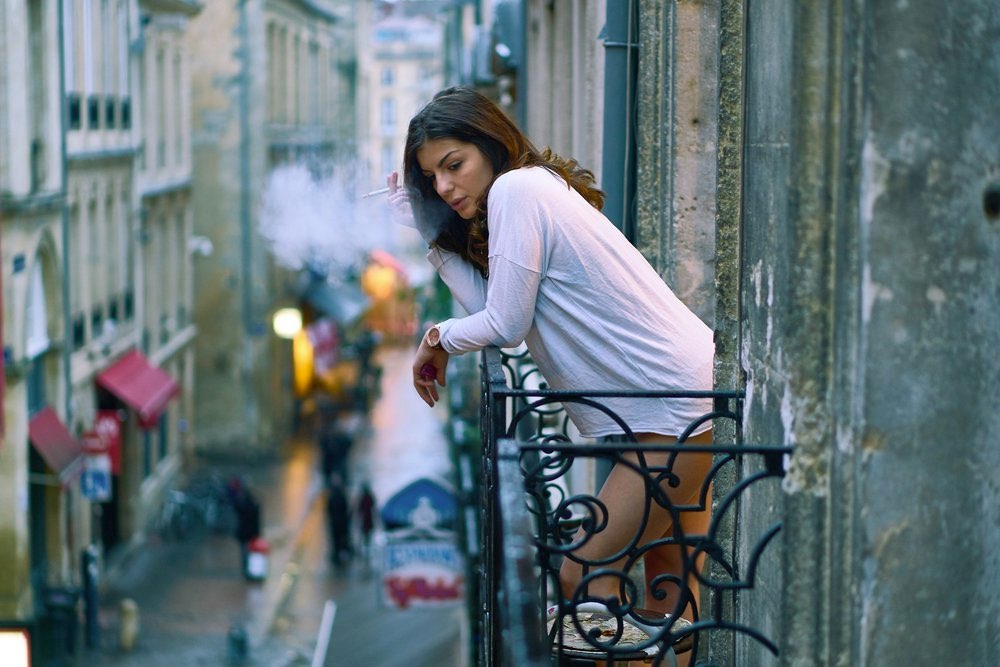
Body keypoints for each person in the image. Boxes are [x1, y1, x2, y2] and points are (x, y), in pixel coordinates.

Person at [389, 87, 716, 637]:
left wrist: (438, 338)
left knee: (585, 574)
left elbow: (506, 328)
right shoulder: (530, 189)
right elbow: (496, 311)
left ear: (490, 146)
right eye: (432, 179)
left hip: (675, 408)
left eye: (454, 165)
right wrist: (431, 233)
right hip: (680, 400)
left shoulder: (518, 190)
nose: (444, 187)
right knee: (670, 575)